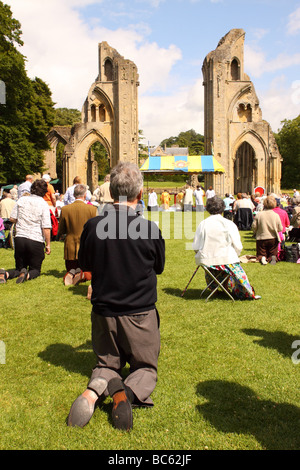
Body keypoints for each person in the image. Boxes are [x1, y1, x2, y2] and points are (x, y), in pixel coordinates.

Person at [67, 162, 165, 431]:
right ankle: (125, 394)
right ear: (140, 194)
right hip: (140, 313)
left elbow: (85, 265)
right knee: (145, 367)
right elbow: (159, 267)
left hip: (104, 313)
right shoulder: (149, 229)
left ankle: (94, 390)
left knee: (106, 363)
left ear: (111, 192)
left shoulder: (93, 226)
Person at [192, 196, 259, 300]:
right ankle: (234, 289)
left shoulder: (203, 224)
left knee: (216, 266)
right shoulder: (229, 224)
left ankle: (216, 288)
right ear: (223, 208)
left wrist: (202, 254)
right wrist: (235, 254)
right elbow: (238, 245)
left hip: (207, 261)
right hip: (227, 259)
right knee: (230, 265)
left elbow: (196, 245)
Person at [0, 179, 51, 284]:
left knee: (18, 268)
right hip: (35, 239)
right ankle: (26, 275)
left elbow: (12, 218)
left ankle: (5, 274)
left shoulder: (22, 200)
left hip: (20, 238)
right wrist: (48, 244)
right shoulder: (43, 204)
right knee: (35, 269)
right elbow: (46, 227)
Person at [58, 184, 97, 286]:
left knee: (71, 267)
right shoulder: (92, 209)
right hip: (86, 245)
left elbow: (61, 229)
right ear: (85, 195)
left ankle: (71, 274)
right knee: (88, 271)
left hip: (70, 244)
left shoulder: (65, 209)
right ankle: (80, 274)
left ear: (74, 194)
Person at [252, 195, 283, 265]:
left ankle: (262, 257)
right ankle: (272, 257)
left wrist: (255, 232)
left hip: (261, 237)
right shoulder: (276, 215)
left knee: (261, 252)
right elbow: (280, 228)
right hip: (273, 238)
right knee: (273, 252)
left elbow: (254, 226)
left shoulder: (259, 215)